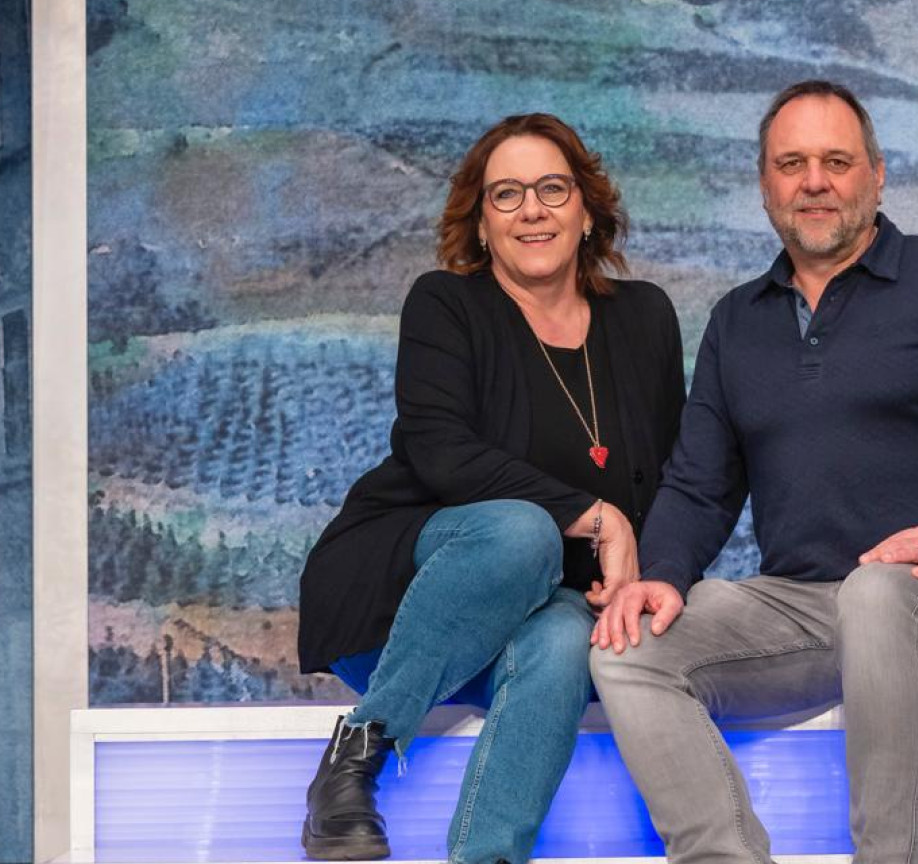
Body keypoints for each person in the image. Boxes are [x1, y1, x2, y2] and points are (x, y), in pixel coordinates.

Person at [589, 80, 918, 864]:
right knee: (628, 646)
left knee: (878, 593)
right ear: (765, 184)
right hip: (803, 610)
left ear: (877, 176)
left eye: (836, 161)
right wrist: (660, 574)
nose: (814, 181)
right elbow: (698, 484)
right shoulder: (736, 320)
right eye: (792, 164)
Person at [298, 113, 685, 864]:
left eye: (552, 189)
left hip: (547, 609)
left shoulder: (645, 318)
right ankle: (356, 758)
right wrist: (595, 516)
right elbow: (440, 452)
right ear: (481, 225)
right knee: (523, 530)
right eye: (506, 195)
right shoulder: (446, 303)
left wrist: (651, 573)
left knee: (568, 638)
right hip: (407, 600)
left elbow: (675, 478)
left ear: (587, 211)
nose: (531, 210)